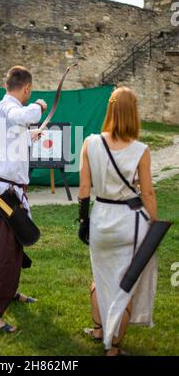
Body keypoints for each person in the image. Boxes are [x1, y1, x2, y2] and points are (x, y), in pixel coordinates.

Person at [78, 86, 158, 356]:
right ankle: (112, 348)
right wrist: (154, 225)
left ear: (110, 110)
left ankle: (100, 330)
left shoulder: (90, 143)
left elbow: (84, 189)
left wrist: (82, 221)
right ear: (133, 113)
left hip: (100, 218)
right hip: (130, 222)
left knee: (100, 278)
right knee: (125, 286)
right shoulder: (140, 150)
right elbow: (147, 192)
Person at [0, 65, 47, 333]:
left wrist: (29, 136)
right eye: (31, 93)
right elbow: (22, 115)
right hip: (4, 195)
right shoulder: (9, 109)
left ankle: (10, 292)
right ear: (26, 88)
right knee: (2, 255)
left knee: (12, 250)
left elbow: (6, 139)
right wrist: (40, 105)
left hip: (6, 190)